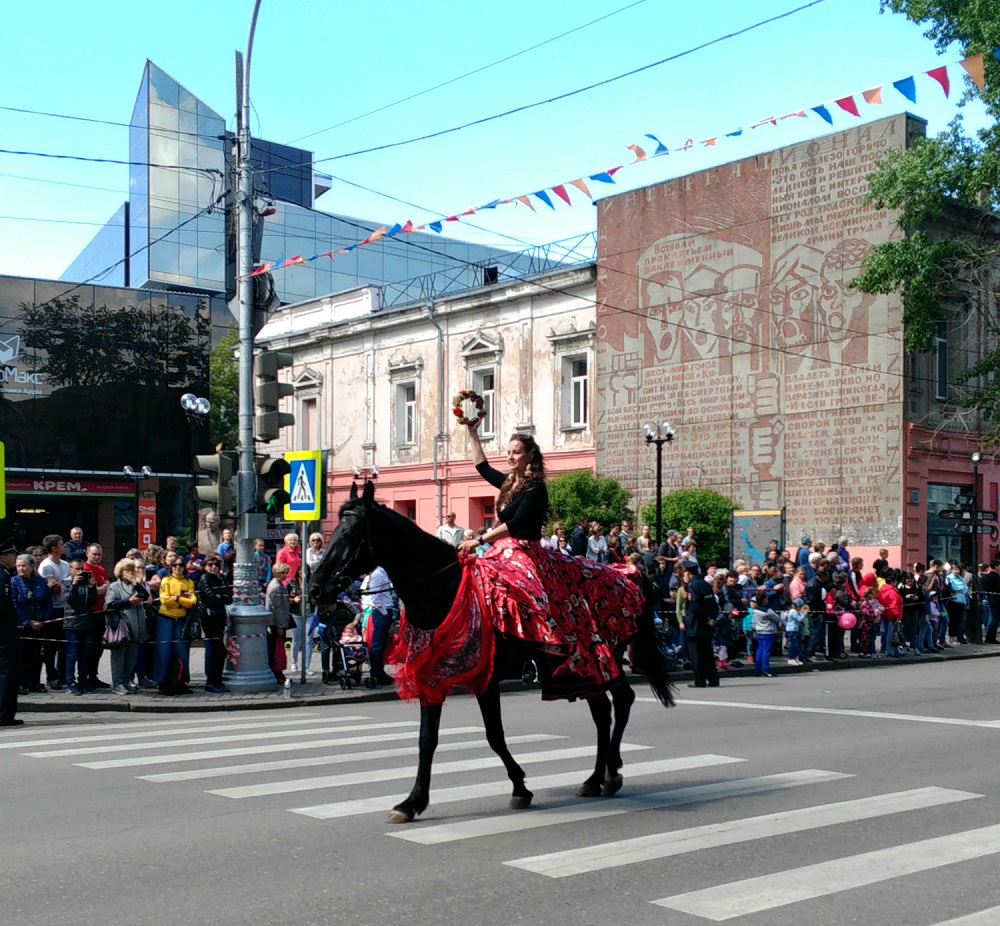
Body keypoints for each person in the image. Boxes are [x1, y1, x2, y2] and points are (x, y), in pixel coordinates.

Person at [104, 558, 149, 694]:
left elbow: (145, 595)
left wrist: (136, 582)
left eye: (132, 570)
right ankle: (117, 683)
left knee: (131, 656)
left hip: (136, 626)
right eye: (127, 570)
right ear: (121, 572)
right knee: (119, 656)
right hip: (122, 625)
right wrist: (128, 601)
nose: (130, 573)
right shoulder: (115, 586)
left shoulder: (134, 585)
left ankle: (126, 680)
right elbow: (110, 604)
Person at [11, 553, 52, 694]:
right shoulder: (14, 582)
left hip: (39, 623)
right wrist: (27, 621)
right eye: (18, 566)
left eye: (24, 565)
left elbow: (48, 602)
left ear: (31, 566)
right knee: (22, 655)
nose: (21, 568)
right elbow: (14, 604)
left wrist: (44, 620)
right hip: (23, 625)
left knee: (37, 655)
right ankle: (21, 683)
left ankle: (35, 682)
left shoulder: (40, 581)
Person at [155, 559, 197, 695]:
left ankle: (180, 681)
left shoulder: (188, 582)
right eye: (175, 565)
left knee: (182, 651)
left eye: (181, 565)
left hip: (182, 620)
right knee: (164, 650)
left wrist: (177, 598)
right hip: (166, 619)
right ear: (171, 567)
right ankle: (163, 682)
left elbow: (192, 602)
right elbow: (164, 599)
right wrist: (181, 600)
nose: (178, 567)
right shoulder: (166, 581)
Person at [37, 534, 69, 691]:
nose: (65, 546)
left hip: (65, 607)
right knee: (51, 644)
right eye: (62, 544)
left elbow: (66, 584)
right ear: (54, 548)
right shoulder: (46, 566)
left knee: (64, 643)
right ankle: (51, 675)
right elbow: (53, 588)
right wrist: (61, 585)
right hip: (53, 609)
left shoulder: (64, 564)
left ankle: (62, 673)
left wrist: (61, 584)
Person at [681, 562, 719, 688]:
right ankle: (713, 679)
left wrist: (705, 619)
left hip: (697, 624)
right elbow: (713, 604)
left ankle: (700, 680)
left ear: (688, 572)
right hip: (707, 625)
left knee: (696, 655)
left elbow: (695, 606)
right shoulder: (705, 584)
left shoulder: (692, 585)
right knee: (708, 653)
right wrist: (712, 618)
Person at [197, 554, 231, 692]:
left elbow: (229, 597)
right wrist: (221, 597)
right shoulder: (205, 578)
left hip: (220, 617)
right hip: (209, 617)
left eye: (216, 565)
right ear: (204, 567)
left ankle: (217, 680)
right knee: (217, 650)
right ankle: (212, 682)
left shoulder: (221, 578)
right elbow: (211, 597)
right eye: (210, 565)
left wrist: (221, 596)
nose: (213, 567)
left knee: (219, 651)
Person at [64, 557, 97, 695]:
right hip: (71, 624)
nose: (80, 571)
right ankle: (70, 682)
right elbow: (70, 601)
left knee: (84, 654)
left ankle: (83, 680)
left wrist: (92, 587)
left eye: (82, 568)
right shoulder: (66, 583)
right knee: (72, 654)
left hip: (86, 623)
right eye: (77, 568)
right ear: (70, 569)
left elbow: (92, 602)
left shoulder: (86, 584)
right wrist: (74, 584)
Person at [360, 565, 395, 686]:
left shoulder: (382, 573)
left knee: (382, 643)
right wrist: (384, 611)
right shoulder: (378, 575)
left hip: (385, 611)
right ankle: (377, 673)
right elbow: (374, 597)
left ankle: (379, 671)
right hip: (381, 612)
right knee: (377, 644)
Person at [83, 543, 111, 690]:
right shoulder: (85, 569)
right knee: (90, 647)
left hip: (101, 612)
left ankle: (94, 675)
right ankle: (86, 676)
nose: (97, 557)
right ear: (87, 553)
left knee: (98, 648)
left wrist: (102, 588)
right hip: (90, 613)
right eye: (94, 554)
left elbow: (106, 587)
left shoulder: (101, 569)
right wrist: (102, 588)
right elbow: (96, 591)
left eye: (99, 554)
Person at [0, 540, 20, 727]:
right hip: (4, 632)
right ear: (3, 556)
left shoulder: (6, 573)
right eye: (12, 554)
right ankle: (4, 715)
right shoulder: (2, 575)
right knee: (7, 671)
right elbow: (3, 606)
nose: (15, 557)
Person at [265, 562, 293, 683]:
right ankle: (276, 673)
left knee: (278, 648)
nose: (286, 575)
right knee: (276, 650)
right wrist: (281, 625)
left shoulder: (279, 584)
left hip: (278, 621)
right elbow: (276, 608)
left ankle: (278, 673)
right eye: (284, 572)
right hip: (276, 623)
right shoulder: (276, 587)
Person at [749, 589, 780, 677]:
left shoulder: (755, 610)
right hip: (768, 631)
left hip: (759, 631)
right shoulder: (768, 611)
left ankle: (758, 668)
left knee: (759, 650)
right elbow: (776, 618)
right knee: (766, 651)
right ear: (764, 600)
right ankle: (766, 669)